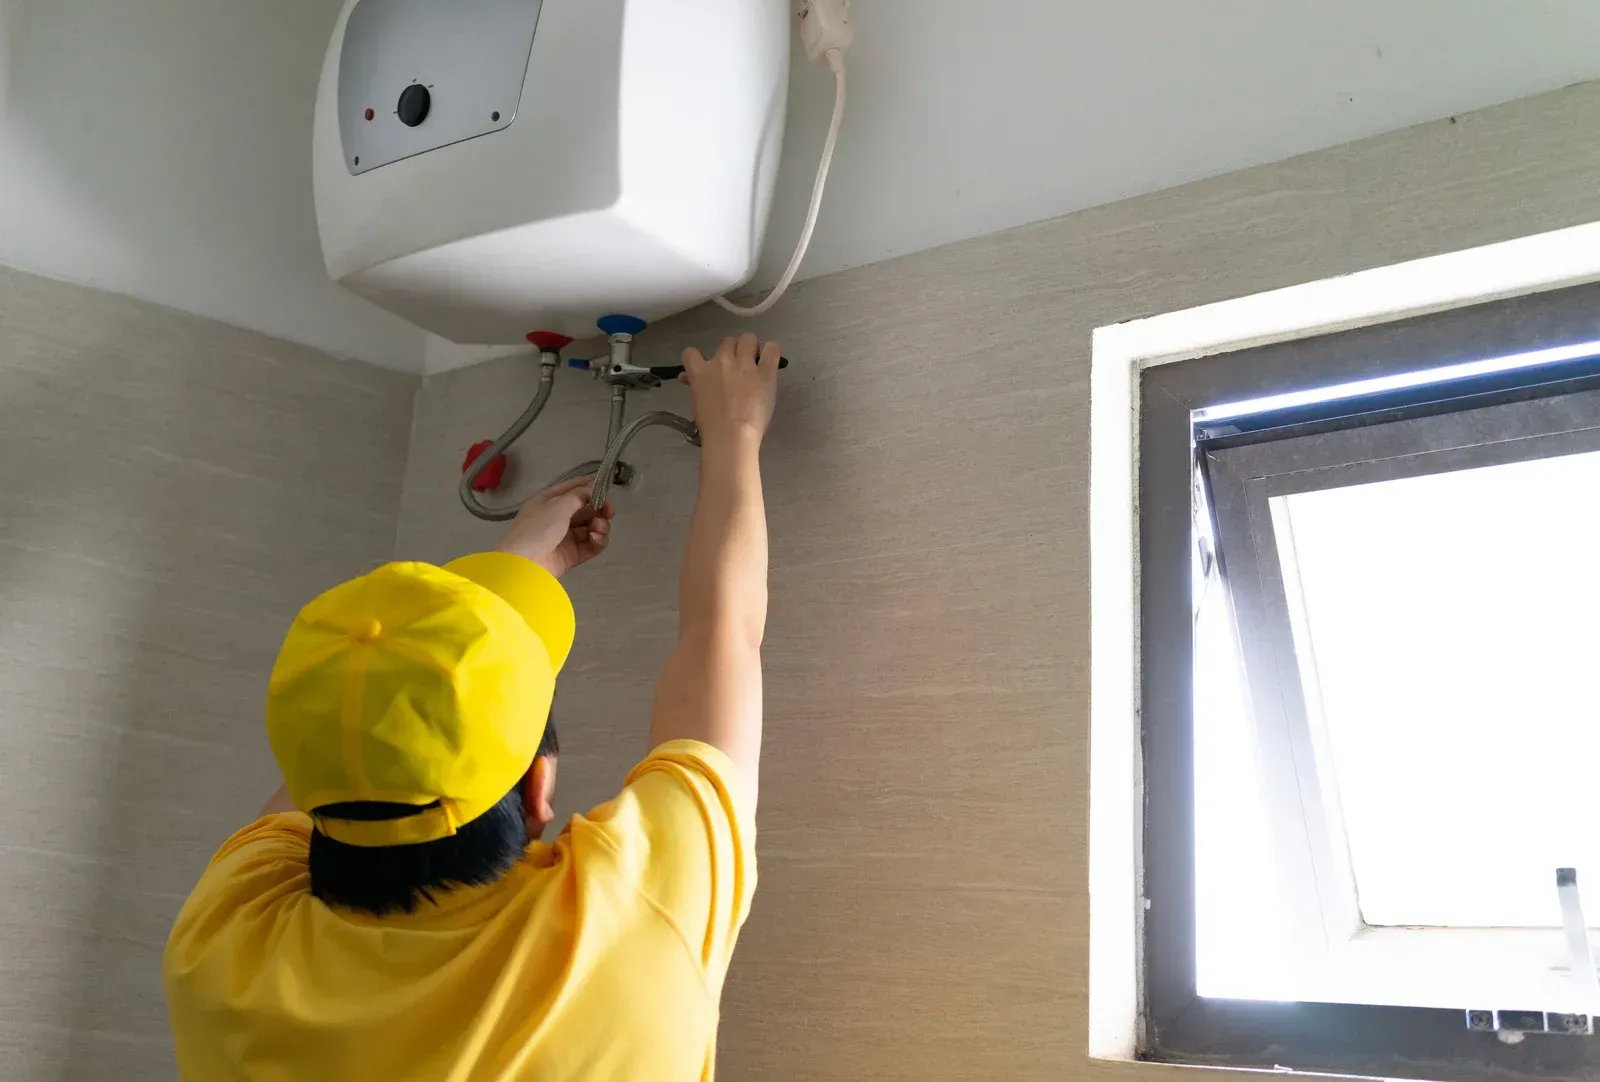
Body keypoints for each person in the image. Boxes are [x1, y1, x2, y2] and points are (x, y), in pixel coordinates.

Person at [162, 333, 781, 1081]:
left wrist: (514, 568)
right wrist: (736, 431)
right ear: (537, 789)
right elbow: (721, 634)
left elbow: (362, 729)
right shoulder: (627, 919)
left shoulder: (222, 944)